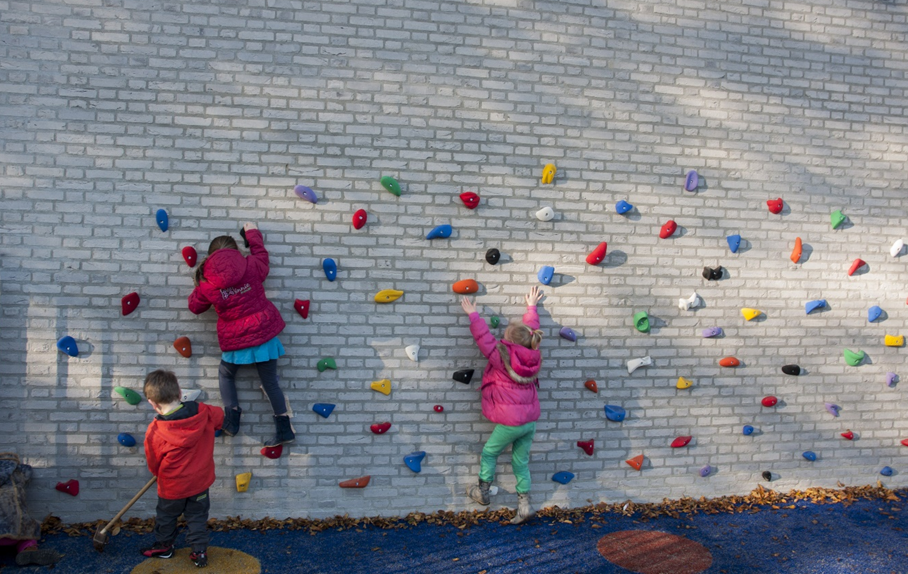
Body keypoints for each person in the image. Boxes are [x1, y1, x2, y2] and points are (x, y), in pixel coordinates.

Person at [188, 222, 295, 448]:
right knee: (270, 383)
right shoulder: (251, 265)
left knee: (226, 375)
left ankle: (233, 419)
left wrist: (201, 283)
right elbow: (262, 256)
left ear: (210, 256)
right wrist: (252, 233)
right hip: (263, 331)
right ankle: (284, 427)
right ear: (235, 250)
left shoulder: (208, 284)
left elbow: (195, 307)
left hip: (236, 338)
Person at [461, 285, 544, 525]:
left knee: (489, 452)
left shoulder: (501, 356)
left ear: (507, 343)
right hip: (530, 421)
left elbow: (485, 340)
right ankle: (525, 506)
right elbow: (532, 330)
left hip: (511, 422)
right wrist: (531, 307)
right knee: (521, 462)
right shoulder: (534, 352)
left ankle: (483, 492)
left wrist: (473, 315)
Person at [140, 370, 224, 568]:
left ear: (152, 403)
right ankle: (199, 552)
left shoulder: (156, 430)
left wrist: (157, 473)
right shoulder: (203, 411)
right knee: (197, 518)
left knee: (167, 517)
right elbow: (220, 417)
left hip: (172, 487)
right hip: (200, 483)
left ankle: (164, 546)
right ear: (179, 392)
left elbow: (153, 461)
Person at [0, 453, 61, 568]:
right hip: (16, 532)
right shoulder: (15, 471)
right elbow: (28, 472)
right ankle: (28, 548)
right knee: (27, 530)